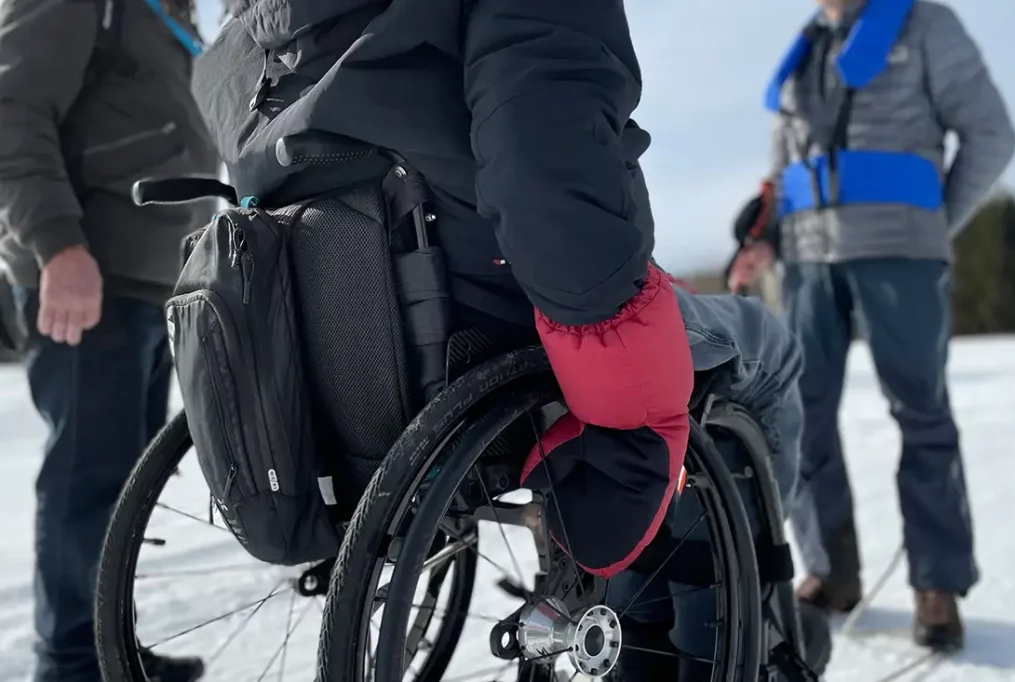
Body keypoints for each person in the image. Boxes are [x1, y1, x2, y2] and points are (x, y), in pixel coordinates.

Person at [192, 1, 814, 680]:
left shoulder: (251, 38)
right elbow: (547, 151)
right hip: (507, 311)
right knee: (763, 347)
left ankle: (668, 602)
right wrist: (626, 398)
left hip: (364, 341)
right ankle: (752, 634)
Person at [728, 0, 1015, 652]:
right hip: (807, 258)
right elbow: (782, 175)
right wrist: (764, 241)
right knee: (799, 415)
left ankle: (937, 585)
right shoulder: (805, 49)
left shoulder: (925, 25)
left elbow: (993, 133)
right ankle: (832, 572)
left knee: (922, 411)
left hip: (901, 255)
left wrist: (933, 224)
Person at [0, 0, 219, 680]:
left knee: (123, 485)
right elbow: (10, 112)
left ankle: (107, 646)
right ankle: (72, 663)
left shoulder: (166, 13)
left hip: (151, 280)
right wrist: (57, 246)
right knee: (86, 479)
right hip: (88, 273)